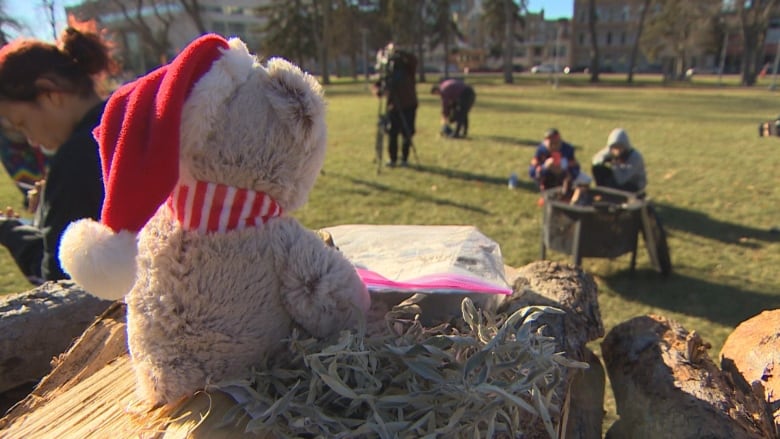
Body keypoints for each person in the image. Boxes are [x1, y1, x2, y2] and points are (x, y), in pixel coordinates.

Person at [0, 27, 113, 284]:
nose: (30, 140)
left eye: (21, 122)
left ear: (50, 94)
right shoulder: (123, 117)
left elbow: (58, 280)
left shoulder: (77, 156)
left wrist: (9, 231)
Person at [374, 43, 418, 168]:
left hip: (409, 104)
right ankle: (393, 159)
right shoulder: (388, 72)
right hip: (393, 106)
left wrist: (400, 53)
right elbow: (379, 86)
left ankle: (404, 158)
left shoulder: (408, 68)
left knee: (407, 133)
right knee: (392, 132)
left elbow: (414, 60)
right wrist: (380, 90)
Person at [591, 128, 646, 193]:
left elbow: (621, 180)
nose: (617, 150)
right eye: (614, 147)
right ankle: (601, 191)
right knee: (598, 168)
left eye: (619, 147)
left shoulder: (635, 157)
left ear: (625, 146)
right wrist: (602, 160)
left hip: (633, 184)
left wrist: (614, 165)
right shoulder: (611, 150)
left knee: (613, 183)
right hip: (617, 177)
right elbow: (596, 159)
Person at [528, 128, 580, 193]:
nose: (554, 146)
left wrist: (569, 173)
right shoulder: (541, 150)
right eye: (551, 143)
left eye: (556, 142)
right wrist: (544, 167)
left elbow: (575, 165)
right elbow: (532, 170)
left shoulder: (567, 149)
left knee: (584, 180)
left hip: (565, 174)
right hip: (547, 177)